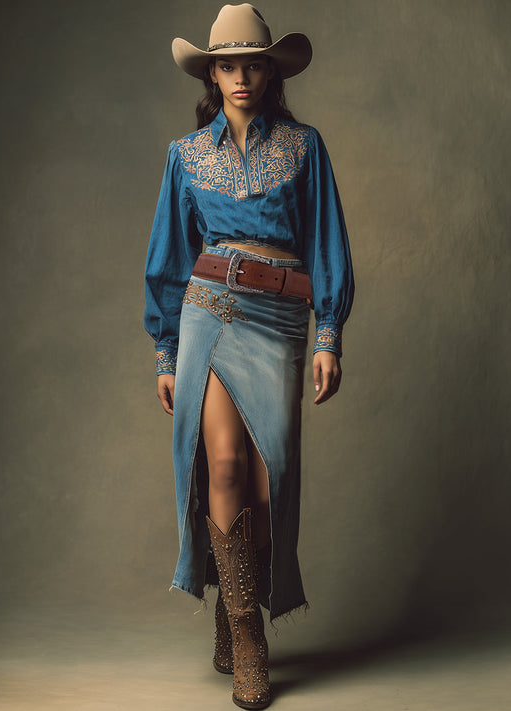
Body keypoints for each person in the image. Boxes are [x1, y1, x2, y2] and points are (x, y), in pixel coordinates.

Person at [144, 4, 354, 708]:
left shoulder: (304, 146)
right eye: (227, 65)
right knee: (226, 464)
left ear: (271, 71)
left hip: (280, 318)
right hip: (209, 309)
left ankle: (230, 611)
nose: (240, 77)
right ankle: (246, 635)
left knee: (269, 481)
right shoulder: (184, 155)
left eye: (253, 64)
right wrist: (166, 350)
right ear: (211, 74)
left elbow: (326, 241)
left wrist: (328, 334)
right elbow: (169, 256)